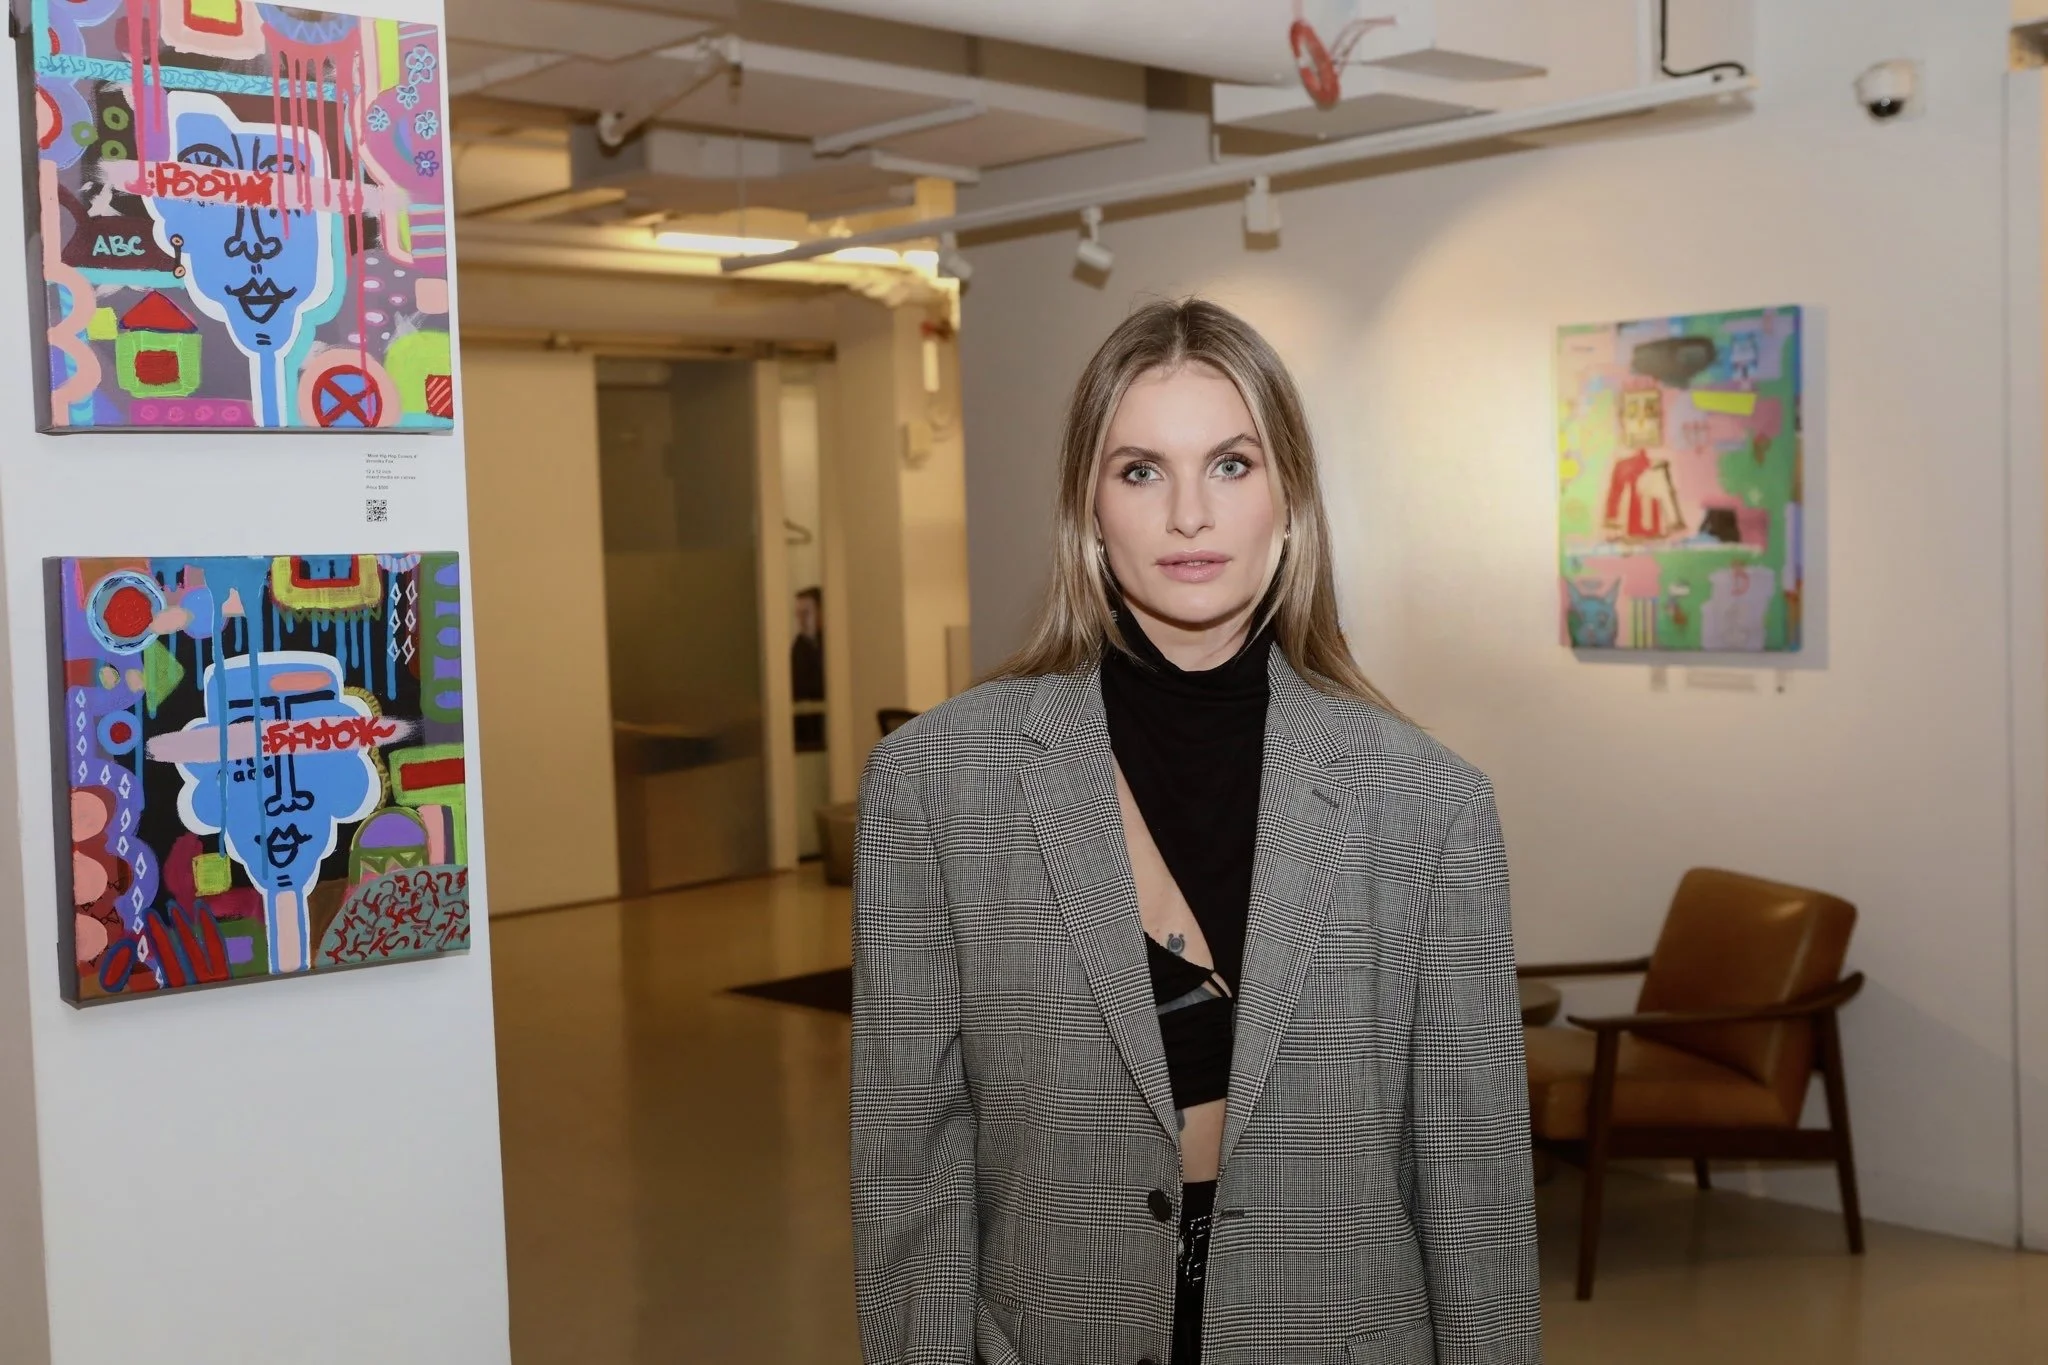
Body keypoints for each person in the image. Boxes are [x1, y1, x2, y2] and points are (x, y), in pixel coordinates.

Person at [851, 298, 1539, 1365]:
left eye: (1229, 465)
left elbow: (1471, 1180)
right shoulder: (935, 784)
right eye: (1139, 470)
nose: (1186, 515)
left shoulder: (1422, 801)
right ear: (1087, 504)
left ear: (1289, 497)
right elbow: (909, 1162)